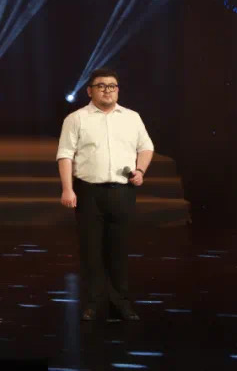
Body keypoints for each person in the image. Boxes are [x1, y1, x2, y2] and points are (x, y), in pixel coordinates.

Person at [57, 68, 153, 322]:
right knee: (92, 251)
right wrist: (67, 188)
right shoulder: (76, 118)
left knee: (119, 250)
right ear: (90, 91)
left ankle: (121, 303)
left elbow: (146, 147)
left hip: (122, 191)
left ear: (117, 90)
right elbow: (65, 155)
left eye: (112, 86)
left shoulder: (131, 117)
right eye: (101, 86)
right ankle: (93, 303)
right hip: (89, 192)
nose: (107, 90)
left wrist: (141, 170)